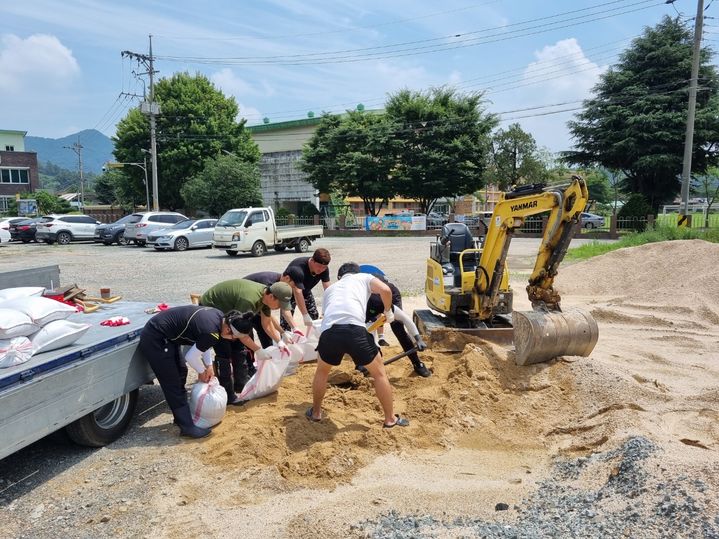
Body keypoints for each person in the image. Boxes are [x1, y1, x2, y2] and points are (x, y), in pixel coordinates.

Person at [307, 262, 410, 429]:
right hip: (355, 331)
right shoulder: (363, 277)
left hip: (330, 333)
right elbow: (386, 290)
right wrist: (388, 311)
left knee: (322, 371)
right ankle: (390, 419)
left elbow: (327, 315)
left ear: (339, 277)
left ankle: (316, 413)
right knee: (379, 374)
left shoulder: (331, 289)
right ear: (356, 272)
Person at [138, 305, 252, 438]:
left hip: (168, 338)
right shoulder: (211, 331)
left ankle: (181, 418)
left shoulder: (219, 318)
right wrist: (201, 370)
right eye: (234, 338)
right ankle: (187, 427)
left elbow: (205, 344)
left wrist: (208, 366)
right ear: (228, 329)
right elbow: (191, 356)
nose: (234, 340)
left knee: (181, 372)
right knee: (173, 382)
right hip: (156, 338)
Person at [199, 279, 293, 405]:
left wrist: (279, 341)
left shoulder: (266, 298)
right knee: (224, 352)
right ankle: (228, 395)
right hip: (212, 310)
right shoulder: (249, 300)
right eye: (279, 305)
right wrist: (258, 350)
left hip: (232, 316)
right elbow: (240, 332)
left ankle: (240, 385)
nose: (279, 308)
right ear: (271, 297)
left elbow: (266, 323)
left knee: (239, 348)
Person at [364, 272, 431, 377]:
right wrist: (375, 348)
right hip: (373, 304)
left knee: (398, 328)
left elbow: (406, 319)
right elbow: (369, 331)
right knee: (367, 341)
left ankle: (417, 363)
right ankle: (363, 365)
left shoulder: (388, 303)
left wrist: (418, 339)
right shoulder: (364, 305)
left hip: (391, 295)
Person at [243, 266, 306, 347]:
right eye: (293, 286)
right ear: (287, 278)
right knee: (246, 335)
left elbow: (285, 309)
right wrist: (282, 333)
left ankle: (268, 354)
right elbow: (268, 317)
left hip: (257, 305)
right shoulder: (268, 285)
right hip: (245, 304)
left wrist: (295, 328)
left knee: (266, 333)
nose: (292, 288)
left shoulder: (281, 288)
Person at [280, 248, 331, 332]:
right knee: (286, 323)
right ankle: (285, 341)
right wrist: (304, 314)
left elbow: (328, 288)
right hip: (289, 293)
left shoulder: (324, 269)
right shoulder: (298, 268)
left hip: (305, 290)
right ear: (312, 260)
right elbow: (297, 292)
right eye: (319, 266)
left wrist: (327, 310)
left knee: (314, 316)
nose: (321, 270)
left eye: (324, 267)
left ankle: (310, 338)